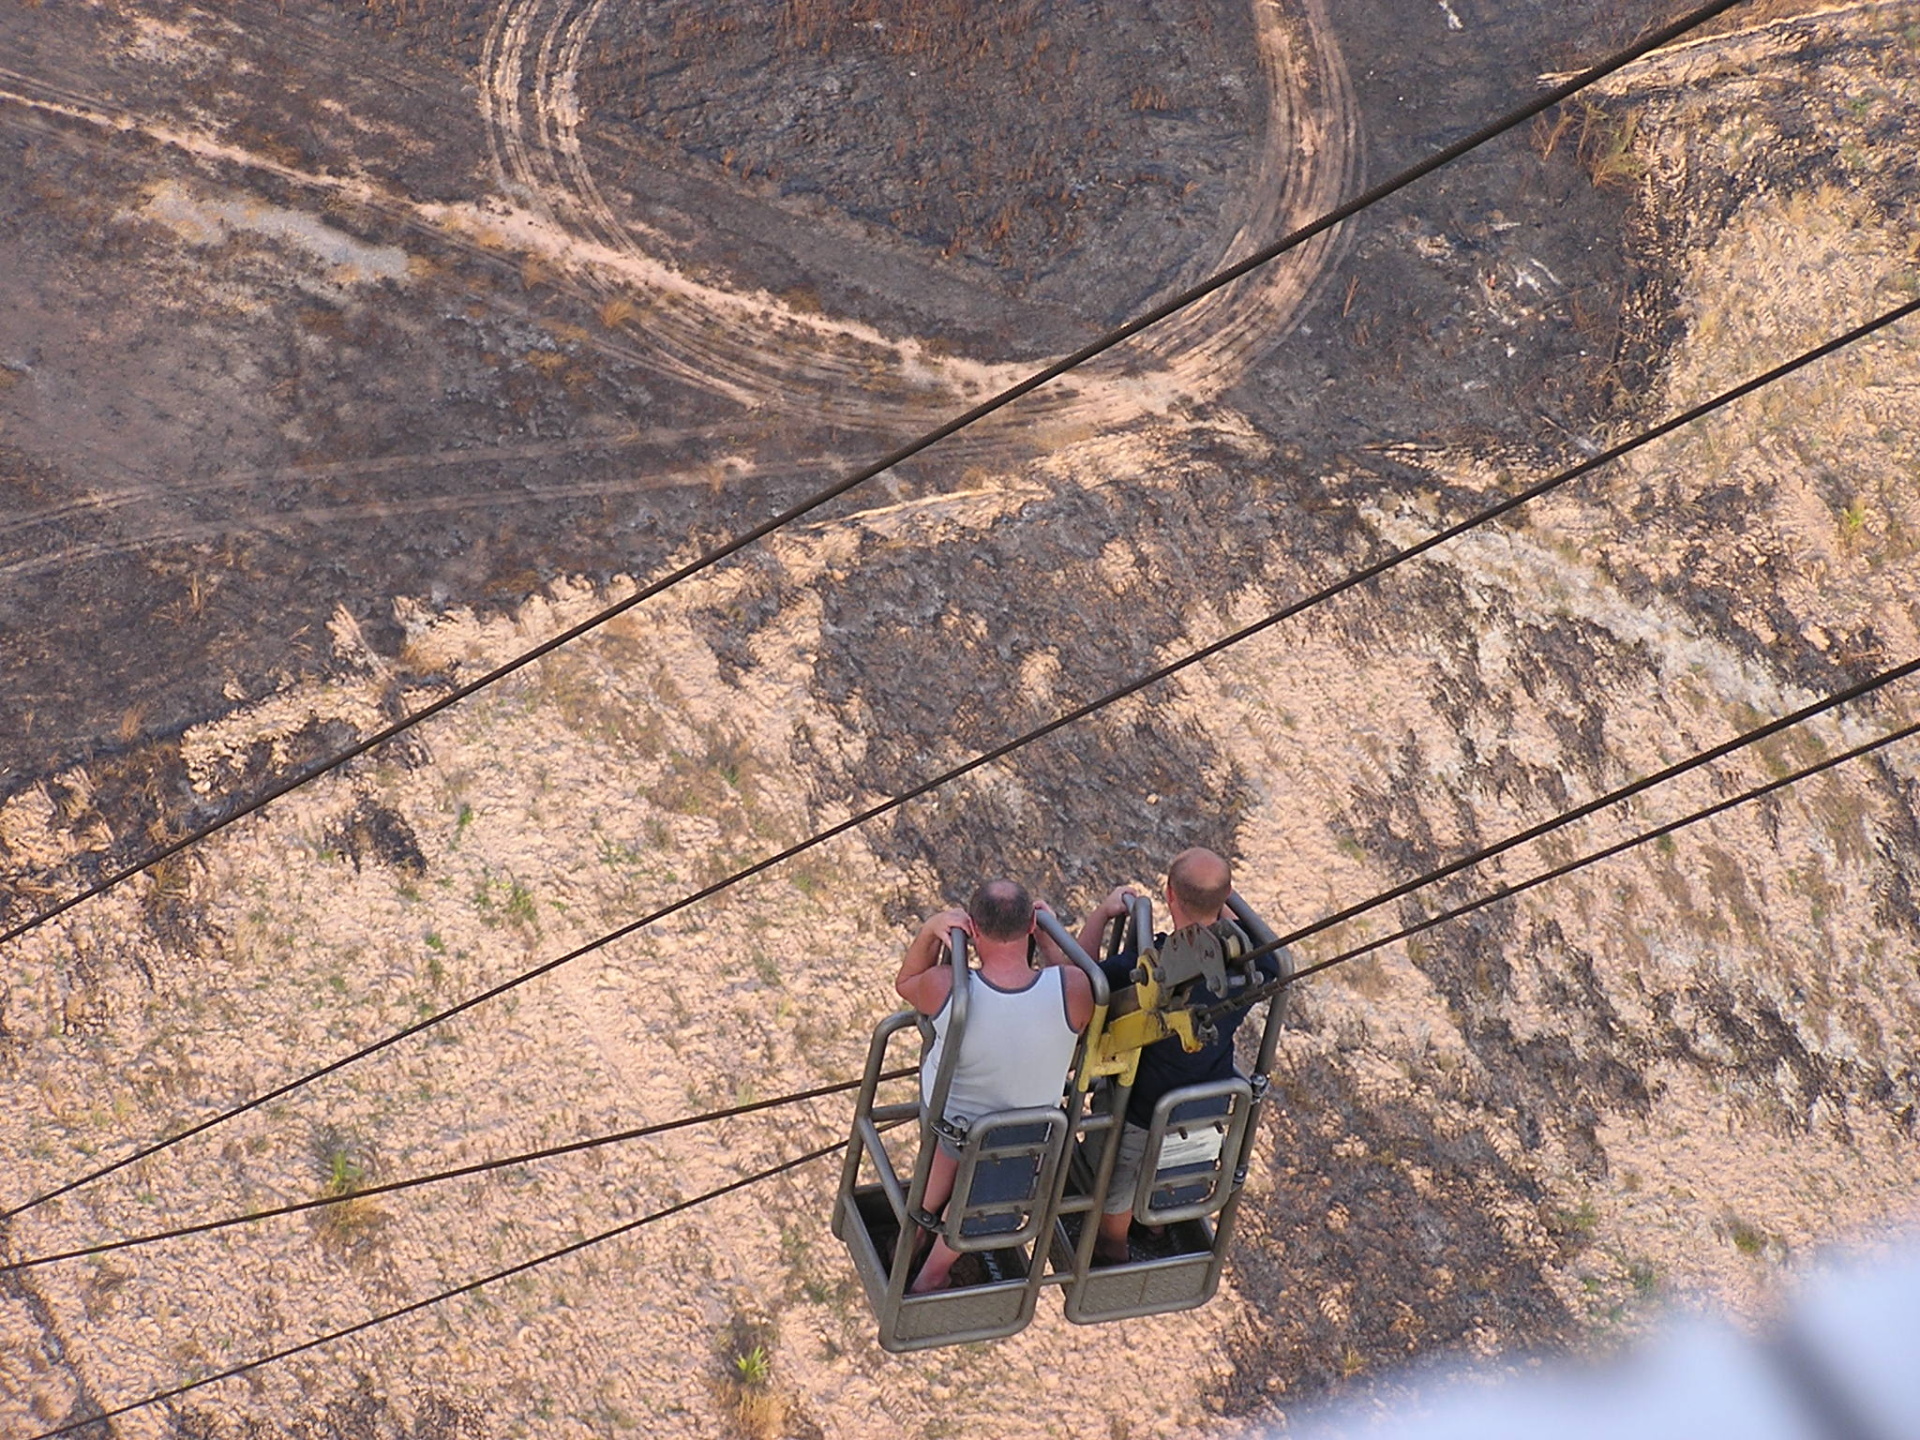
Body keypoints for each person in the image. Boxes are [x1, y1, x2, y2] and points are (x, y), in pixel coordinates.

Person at [1076, 846, 1279, 1265]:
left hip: (1139, 1112)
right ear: (1227, 899)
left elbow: (1082, 981)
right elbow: (1265, 947)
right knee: (1169, 1174)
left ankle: (1113, 1248)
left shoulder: (1146, 966)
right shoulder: (1251, 969)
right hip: (1205, 1106)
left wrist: (1101, 914)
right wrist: (1220, 902)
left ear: (1169, 895)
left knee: (1116, 1195)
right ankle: (1156, 1227)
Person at [895, 879, 1095, 1293]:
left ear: (973, 929)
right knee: (990, 1168)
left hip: (952, 1123)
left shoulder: (948, 987)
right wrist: (1050, 940)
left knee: (952, 1143)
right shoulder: (1074, 989)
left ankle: (915, 1231)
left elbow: (907, 981)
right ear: (1030, 926)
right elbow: (1073, 979)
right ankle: (934, 1272)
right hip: (1027, 1133)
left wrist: (931, 929)